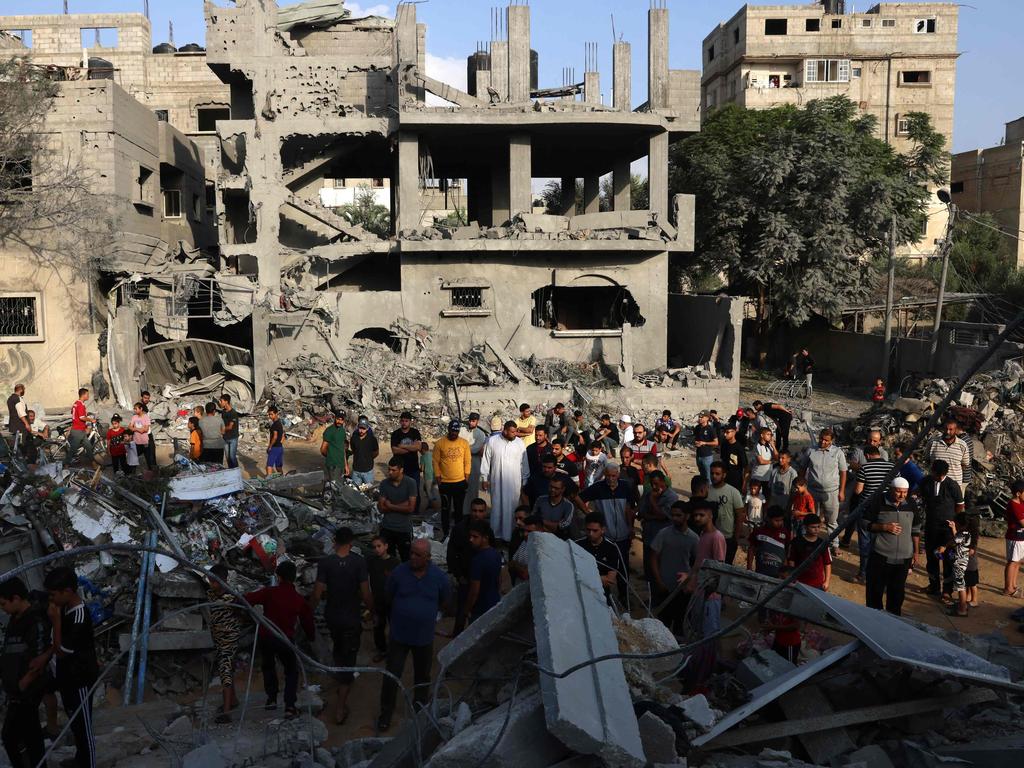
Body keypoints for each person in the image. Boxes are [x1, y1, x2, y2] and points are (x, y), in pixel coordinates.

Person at [378, 539, 451, 732]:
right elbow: (388, 597)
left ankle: (419, 711)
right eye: (411, 553)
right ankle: (386, 713)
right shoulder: (399, 573)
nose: (412, 557)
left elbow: (445, 601)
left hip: (423, 638)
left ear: (428, 557)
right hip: (399, 635)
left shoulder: (439, 577)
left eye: (418, 555)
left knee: (422, 676)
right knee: (392, 674)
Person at [309, 527, 373, 725]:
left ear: (335, 541)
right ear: (351, 542)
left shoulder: (326, 563)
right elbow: (365, 593)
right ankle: (340, 706)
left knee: (338, 648)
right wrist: (373, 611)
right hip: (351, 618)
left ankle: (341, 679)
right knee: (349, 657)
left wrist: (306, 612)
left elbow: (317, 594)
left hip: (332, 617)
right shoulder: (358, 562)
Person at [39, 566, 98, 768]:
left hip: (80, 678)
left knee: (84, 727)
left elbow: (62, 650)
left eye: (54, 595)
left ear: (68, 592)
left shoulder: (78, 616)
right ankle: (80, 760)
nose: (51, 599)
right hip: (67, 676)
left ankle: (88, 763)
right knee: (76, 722)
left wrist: (55, 621)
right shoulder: (65, 608)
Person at [245, 561, 314, 718]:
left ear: (279, 577)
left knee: (268, 666)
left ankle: (271, 699)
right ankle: (290, 706)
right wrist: (311, 637)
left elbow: (248, 599)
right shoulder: (298, 599)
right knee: (291, 670)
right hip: (285, 639)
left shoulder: (270, 592)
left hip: (266, 635)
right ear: (293, 578)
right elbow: (307, 621)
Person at [0, 576, 50, 768]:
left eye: (4, 603)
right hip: (16, 688)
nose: (2, 608)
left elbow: (39, 658)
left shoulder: (35, 621)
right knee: (30, 737)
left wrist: (24, 682)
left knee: (11, 737)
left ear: (16, 598)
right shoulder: (15, 619)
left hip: (27, 690)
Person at [864, 477, 922, 616]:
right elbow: (865, 523)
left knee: (897, 593)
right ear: (891, 489)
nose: (902, 495)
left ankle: (893, 623)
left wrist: (916, 552)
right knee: (875, 592)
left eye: (905, 492)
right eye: (898, 492)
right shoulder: (878, 501)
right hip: (880, 556)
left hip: (903, 558)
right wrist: (884, 527)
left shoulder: (911, 504)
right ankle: (873, 620)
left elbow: (916, 529)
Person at [684, 500, 726, 688]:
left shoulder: (717, 537)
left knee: (709, 637)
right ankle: (696, 672)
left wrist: (710, 592)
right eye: (695, 515)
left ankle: (706, 676)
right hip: (700, 590)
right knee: (698, 634)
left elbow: (719, 568)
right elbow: (699, 564)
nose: (697, 518)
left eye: (701, 515)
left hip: (710, 595)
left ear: (710, 515)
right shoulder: (703, 534)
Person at [845, 444, 895, 583]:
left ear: (867, 456)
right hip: (886, 510)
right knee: (883, 544)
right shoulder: (892, 466)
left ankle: (863, 574)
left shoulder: (865, 468)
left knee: (866, 543)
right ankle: (881, 575)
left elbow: (858, 491)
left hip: (867, 510)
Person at [649, 501, 698, 633]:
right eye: (673, 515)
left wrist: (690, 582)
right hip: (664, 588)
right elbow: (653, 557)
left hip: (682, 590)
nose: (675, 518)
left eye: (678, 515)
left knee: (679, 625)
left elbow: (698, 564)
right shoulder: (663, 534)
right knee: (662, 626)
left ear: (687, 516)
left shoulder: (693, 539)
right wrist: (659, 581)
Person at [919, 459, 964, 599]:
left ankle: (947, 590)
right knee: (931, 558)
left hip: (947, 529)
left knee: (948, 559)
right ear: (932, 471)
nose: (939, 477)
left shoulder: (952, 485)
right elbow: (918, 495)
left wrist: (954, 522)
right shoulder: (926, 481)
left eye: (941, 475)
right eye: (937, 474)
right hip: (931, 526)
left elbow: (960, 505)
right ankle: (933, 586)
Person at [798, 428, 847, 552]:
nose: (823, 442)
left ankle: (834, 544)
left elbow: (843, 472)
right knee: (811, 517)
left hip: (832, 491)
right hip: (813, 490)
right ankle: (809, 541)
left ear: (831, 441)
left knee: (832, 520)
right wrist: (801, 486)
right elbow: (803, 468)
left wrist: (841, 491)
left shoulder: (838, 452)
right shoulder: (811, 451)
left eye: (826, 440)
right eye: (821, 439)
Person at [580, 462, 636, 571]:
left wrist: (631, 527)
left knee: (623, 568)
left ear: (618, 475)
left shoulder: (625, 486)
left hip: (623, 535)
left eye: (613, 476)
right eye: (608, 476)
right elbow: (578, 498)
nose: (610, 479)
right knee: (603, 568)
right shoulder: (598, 487)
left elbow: (628, 509)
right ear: (604, 474)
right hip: (604, 537)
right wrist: (588, 513)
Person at [480, 420, 529, 542]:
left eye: (516, 431)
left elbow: (525, 464)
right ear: (505, 431)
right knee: (496, 507)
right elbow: (486, 460)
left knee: (512, 509)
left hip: (514, 484)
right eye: (512, 432)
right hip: (497, 482)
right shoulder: (492, 441)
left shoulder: (520, 444)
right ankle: (495, 536)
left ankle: (510, 537)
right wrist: (484, 477)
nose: (515, 434)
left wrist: (524, 482)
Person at [447, 498, 491, 634]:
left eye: (481, 511)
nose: (477, 514)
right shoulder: (459, 529)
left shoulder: (487, 529)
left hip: (482, 579)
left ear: (485, 512)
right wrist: (458, 575)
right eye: (474, 511)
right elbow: (451, 553)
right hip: (465, 577)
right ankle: (457, 636)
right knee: (462, 611)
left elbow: (492, 550)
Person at [206, 562, 241, 724]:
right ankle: (232, 700)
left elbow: (243, 613)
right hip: (218, 639)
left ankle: (226, 712)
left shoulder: (233, 597)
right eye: (209, 581)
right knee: (227, 670)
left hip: (229, 640)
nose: (211, 584)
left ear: (223, 580)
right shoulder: (212, 595)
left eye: (214, 581)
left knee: (225, 671)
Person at [576, 512, 628, 605]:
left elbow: (610, 581)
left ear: (603, 530)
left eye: (595, 530)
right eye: (588, 530)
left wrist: (583, 577)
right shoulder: (577, 545)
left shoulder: (612, 548)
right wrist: (600, 578)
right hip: (580, 593)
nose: (591, 534)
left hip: (602, 595)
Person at [637, 470, 678, 583]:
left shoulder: (671, 497)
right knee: (648, 562)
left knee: (661, 565)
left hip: (662, 536)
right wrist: (653, 516)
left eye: (656, 483)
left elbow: (663, 516)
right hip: (648, 534)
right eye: (652, 484)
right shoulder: (648, 494)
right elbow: (641, 512)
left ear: (663, 482)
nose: (654, 486)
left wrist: (653, 501)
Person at [433, 420, 471, 536]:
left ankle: (457, 534)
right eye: (452, 430)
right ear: (448, 429)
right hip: (445, 483)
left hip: (460, 482)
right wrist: (439, 480)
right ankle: (445, 533)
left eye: (456, 431)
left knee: (459, 510)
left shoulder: (464, 443)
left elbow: (467, 462)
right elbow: (435, 462)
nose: (454, 433)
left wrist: (466, 478)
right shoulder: (440, 443)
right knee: (445, 510)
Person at [378, 457, 418, 561]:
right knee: (388, 560)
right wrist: (402, 505)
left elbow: (410, 508)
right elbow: (381, 508)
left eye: (393, 470)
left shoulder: (410, 483)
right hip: (387, 528)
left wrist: (391, 506)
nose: (390, 472)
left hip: (403, 529)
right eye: (389, 469)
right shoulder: (384, 484)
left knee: (406, 559)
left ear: (401, 470)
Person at [367, 535, 399, 661]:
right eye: (374, 547)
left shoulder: (395, 562)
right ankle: (382, 650)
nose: (377, 549)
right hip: (377, 600)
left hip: (392, 601)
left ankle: (395, 651)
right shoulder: (371, 561)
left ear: (386, 546)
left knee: (395, 627)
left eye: (379, 546)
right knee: (378, 627)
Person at [707, 461, 745, 565]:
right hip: (709, 536)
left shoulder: (733, 492)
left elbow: (739, 517)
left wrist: (735, 539)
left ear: (724, 475)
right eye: (712, 473)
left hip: (727, 538)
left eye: (717, 474)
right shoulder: (706, 491)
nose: (714, 476)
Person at [935, 515, 972, 617]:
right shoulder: (966, 534)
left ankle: (962, 609)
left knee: (961, 586)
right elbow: (957, 538)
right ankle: (962, 605)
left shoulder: (963, 534)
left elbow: (953, 541)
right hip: (962, 562)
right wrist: (953, 528)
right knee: (961, 585)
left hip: (959, 563)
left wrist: (944, 547)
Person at [465, 520, 502, 621]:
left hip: (480, 609)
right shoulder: (496, 554)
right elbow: (498, 580)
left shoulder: (478, 560)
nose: (471, 540)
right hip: (494, 603)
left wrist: (467, 609)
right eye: (470, 536)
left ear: (485, 538)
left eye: (475, 537)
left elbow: (474, 591)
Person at [786, 515, 831, 591]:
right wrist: (793, 578)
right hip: (799, 583)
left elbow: (827, 563)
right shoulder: (796, 542)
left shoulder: (823, 543)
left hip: (818, 584)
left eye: (818, 527)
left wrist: (827, 581)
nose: (816, 529)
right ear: (805, 527)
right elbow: (791, 561)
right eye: (813, 527)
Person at [926, 419, 970, 493]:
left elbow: (964, 464)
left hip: (954, 487)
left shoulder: (962, 445)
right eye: (946, 429)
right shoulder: (933, 443)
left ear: (956, 430)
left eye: (951, 429)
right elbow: (928, 460)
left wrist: (951, 472)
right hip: (935, 486)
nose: (947, 432)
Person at [747, 506, 789, 579]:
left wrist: (784, 574)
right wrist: (749, 568)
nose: (779, 523)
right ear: (768, 519)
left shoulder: (785, 534)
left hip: (777, 576)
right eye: (776, 520)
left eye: (781, 520)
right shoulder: (759, 532)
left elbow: (785, 554)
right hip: (760, 573)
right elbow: (751, 550)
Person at [391, 411, 424, 496]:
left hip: (414, 468)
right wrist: (412, 448)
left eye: (406, 421)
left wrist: (402, 446)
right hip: (401, 469)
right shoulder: (395, 434)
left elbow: (419, 447)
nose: (404, 423)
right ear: (400, 421)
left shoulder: (415, 432)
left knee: (415, 493)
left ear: (410, 421)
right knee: (401, 493)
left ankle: (416, 509)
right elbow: (395, 450)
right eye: (402, 421)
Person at [463, 412, 489, 518]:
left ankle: (472, 513)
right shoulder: (462, 430)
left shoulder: (480, 434)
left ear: (477, 421)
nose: (471, 422)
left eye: (473, 421)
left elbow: (476, 449)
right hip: (462, 463)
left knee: (473, 489)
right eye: (470, 420)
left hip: (474, 464)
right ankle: (462, 512)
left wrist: (463, 448)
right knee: (462, 488)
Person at [534, 475, 576, 540]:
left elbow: (563, 526)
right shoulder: (540, 499)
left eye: (556, 488)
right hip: (539, 537)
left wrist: (542, 522)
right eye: (551, 486)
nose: (552, 490)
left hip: (559, 539)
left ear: (563, 489)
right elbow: (533, 517)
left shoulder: (568, 505)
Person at [1004, 479, 1024, 597]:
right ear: (1018, 493)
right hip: (1015, 537)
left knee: (1018, 562)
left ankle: (1013, 585)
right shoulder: (1013, 504)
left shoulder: (1020, 503)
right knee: (1012, 562)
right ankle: (1008, 588)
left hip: (1020, 537)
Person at [510, 515, 544, 582]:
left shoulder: (542, 549)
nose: (525, 534)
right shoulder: (525, 542)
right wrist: (521, 568)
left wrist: (516, 566)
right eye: (524, 530)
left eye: (529, 531)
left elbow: (526, 575)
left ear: (540, 531)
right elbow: (511, 563)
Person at [68, 388, 96, 466]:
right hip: (78, 430)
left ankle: (93, 463)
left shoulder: (76, 403)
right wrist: (91, 420)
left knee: (89, 447)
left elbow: (74, 413)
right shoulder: (80, 405)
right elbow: (81, 417)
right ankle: (65, 464)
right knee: (73, 449)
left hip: (80, 429)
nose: (88, 396)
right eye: (87, 394)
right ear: (83, 395)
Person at [349, 416, 378, 487]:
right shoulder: (354, 438)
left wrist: (368, 458)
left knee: (369, 492)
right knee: (354, 493)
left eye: (363, 428)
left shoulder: (372, 439)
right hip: (356, 472)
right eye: (360, 428)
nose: (361, 430)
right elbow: (354, 450)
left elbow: (376, 452)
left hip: (368, 472)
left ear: (367, 428)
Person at [719, 424, 747, 492]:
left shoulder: (739, 448)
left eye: (727, 432)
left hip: (736, 480)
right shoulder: (724, 444)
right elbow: (722, 460)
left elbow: (745, 466)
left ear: (734, 432)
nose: (725, 434)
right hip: (725, 478)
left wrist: (744, 483)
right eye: (724, 432)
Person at [6, 383, 31, 458]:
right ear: (20, 389)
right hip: (20, 426)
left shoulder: (10, 398)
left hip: (14, 425)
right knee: (21, 445)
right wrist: (26, 424)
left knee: (16, 444)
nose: (24, 391)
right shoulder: (17, 398)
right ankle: (21, 461)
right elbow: (21, 413)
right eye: (24, 389)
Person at [128, 401, 152, 474]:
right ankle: (132, 474)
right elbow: (129, 426)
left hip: (144, 441)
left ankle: (151, 472)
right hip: (136, 441)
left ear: (141, 409)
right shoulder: (134, 417)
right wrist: (138, 429)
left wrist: (135, 428)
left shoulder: (146, 417)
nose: (135, 410)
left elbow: (145, 429)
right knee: (134, 457)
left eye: (136, 409)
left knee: (148, 458)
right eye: (134, 409)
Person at [219, 394, 239, 469]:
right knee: (228, 457)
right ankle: (231, 471)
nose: (220, 403)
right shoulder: (223, 412)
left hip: (233, 437)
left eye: (221, 401)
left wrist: (221, 430)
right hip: (225, 438)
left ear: (226, 402)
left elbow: (230, 426)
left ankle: (236, 471)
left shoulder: (233, 413)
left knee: (232, 457)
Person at [266, 405, 285, 475]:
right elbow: (283, 435)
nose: (270, 416)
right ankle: (283, 480)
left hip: (275, 448)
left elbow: (275, 437)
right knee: (278, 467)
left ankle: (269, 483)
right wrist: (280, 443)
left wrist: (270, 446)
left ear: (276, 414)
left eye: (271, 414)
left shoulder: (274, 425)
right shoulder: (279, 423)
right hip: (280, 448)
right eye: (269, 414)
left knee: (269, 466)